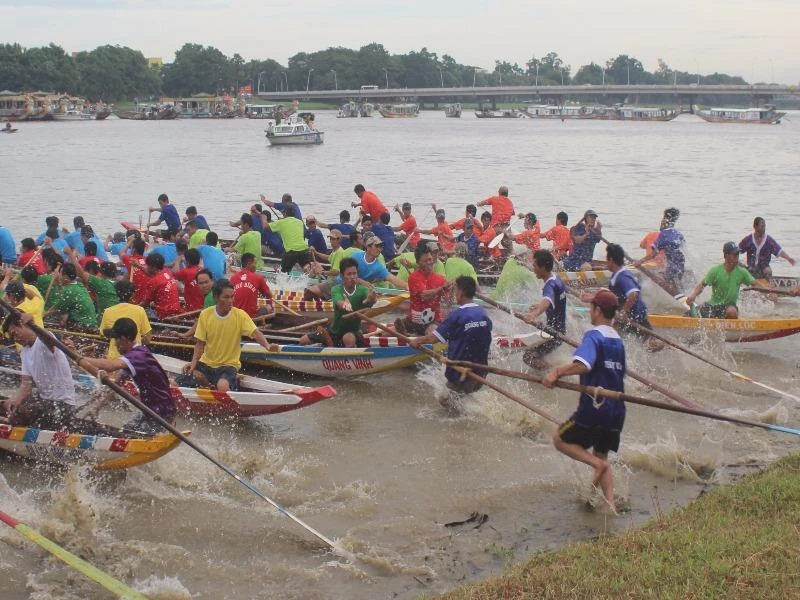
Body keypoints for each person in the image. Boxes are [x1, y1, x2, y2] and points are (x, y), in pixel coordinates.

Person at [543, 288, 626, 510]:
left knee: (559, 439)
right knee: (602, 454)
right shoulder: (618, 341)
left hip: (594, 408)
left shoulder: (594, 335)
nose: (590, 311)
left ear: (597, 310)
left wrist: (557, 372)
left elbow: (584, 364)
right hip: (617, 411)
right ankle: (609, 506)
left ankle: (595, 466)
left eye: (592, 307)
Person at [409, 276, 493, 413]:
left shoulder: (457, 315)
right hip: (480, 373)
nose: (454, 295)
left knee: (445, 403)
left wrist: (418, 341)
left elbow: (433, 339)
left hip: (461, 374)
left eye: (455, 291)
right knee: (458, 400)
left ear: (460, 293)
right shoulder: (483, 313)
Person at [80, 318, 175, 433]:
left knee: (131, 437)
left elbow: (110, 366)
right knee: (124, 431)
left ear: (124, 339)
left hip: (161, 414)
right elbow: (116, 387)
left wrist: (79, 358)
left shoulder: (138, 356)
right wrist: (96, 408)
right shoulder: (134, 357)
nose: (114, 344)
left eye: (116, 339)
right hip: (149, 411)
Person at [182, 279, 278, 391]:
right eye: (226, 297)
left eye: (232, 297)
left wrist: (267, 346)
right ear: (216, 298)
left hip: (228, 366)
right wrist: (193, 363)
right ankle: (209, 387)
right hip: (206, 363)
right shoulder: (205, 315)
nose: (231, 301)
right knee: (182, 378)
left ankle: (216, 388)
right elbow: (200, 344)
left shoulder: (240, 315)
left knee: (222, 386)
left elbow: (256, 333)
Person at [1, 312, 77, 428]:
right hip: (45, 401)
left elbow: (47, 337)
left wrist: (32, 323)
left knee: (26, 412)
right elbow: (26, 385)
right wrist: (15, 399)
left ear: (24, 325)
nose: (16, 339)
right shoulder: (24, 352)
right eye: (13, 338)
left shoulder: (43, 341)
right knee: (11, 407)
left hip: (62, 404)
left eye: (15, 334)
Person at [299, 258, 377, 348]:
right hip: (334, 332)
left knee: (348, 338)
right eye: (349, 274)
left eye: (354, 273)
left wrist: (371, 299)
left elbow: (372, 300)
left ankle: (347, 359)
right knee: (303, 340)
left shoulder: (363, 290)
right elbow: (339, 302)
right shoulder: (336, 289)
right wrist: (345, 305)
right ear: (342, 275)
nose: (352, 277)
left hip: (353, 332)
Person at [685, 241, 764, 319]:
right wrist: (693, 295)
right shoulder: (715, 271)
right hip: (713, 305)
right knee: (687, 315)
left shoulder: (742, 272)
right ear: (726, 256)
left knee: (732, 312)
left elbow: (755, 284)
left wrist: (768, 292)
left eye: (738, 254)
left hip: (729, 306)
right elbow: (702, 285)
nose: (737, 256)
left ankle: (730, 329)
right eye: (734, 254)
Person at [605, 244, 662, 350]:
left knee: (651, 346)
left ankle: (672, 346)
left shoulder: (623, 276)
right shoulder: (617, 274)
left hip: (635, 317)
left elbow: (633, 293)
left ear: (611, 260)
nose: (606, 262)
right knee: (612, 337)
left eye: (606, 260)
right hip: (627, 317)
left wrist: (623, 312)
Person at [520, 249, 567, 369]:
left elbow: (547, 301)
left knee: (528, 356)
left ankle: (553, 374)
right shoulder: (556, 279)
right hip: (558, 331)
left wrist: (534, 314)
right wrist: (538, 305)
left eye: (535, 265)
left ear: (543, 267)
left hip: (554, 334)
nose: (533, 268)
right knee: (536, 355)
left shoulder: (549, 285)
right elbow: (553, 300)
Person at [396, 244, 451, 336]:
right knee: (387, 332)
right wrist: (442, 288)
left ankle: (411, 336)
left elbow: (448, 301)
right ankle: (407, 335)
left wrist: (452, 289)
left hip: (433, 321)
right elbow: (424, 295)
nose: (429, 262)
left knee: (431, 332)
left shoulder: (440, 279)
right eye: (425, 261)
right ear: (418, 263)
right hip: (413, 321)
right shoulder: (413, 277)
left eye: (430, 259)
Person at [635, 207, 685, 293]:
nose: (661, 222)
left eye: (663, 219)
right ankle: (681, 294)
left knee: (668, 283)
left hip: (672, 264)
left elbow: (653, 254)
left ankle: (675, 296)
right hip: (681, 262)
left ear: (666, 220)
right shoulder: (678, 233)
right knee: (677, 284)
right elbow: (683, 248)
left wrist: (639, 261)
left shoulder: (663, 235)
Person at [99, 280, 152, 359]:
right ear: (132, 295)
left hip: (113, 359)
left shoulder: (108, 311)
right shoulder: (140, 310)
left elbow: (103, 335)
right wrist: (137, 342)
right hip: (135, 358)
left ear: (116, 294)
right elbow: (147, 339)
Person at [65, 247, 119, 318]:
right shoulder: (118, 284)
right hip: (117, 317)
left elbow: (81, 273)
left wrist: (71, 254)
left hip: (104, 319)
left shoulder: (102, 284)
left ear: (102, 272)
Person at [46, 262, 97, 327]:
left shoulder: (70, 290)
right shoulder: (79, 284)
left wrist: (42, 315)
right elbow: (64, 298)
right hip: (90, 323)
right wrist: (58, 281)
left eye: (61, 274)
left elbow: (57, 309)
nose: (59, 276)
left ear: (66, 277)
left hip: (83, 325)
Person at [264, 204, 310, 273]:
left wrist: (263, 218)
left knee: (283, 274)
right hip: (303, 250)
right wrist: (282, 221)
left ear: (284, 213)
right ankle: (307, 269)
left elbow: (266, 226)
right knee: (305, 267)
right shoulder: (300, 222)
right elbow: (290, 225)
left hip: (291, 252)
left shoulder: (281, 222)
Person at [139, 253, 182, 319]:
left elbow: (144, 304)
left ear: (153, 267)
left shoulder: (153, 282)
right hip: (176, 312)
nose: (146, 268)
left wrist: (132, 309)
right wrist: (138, 266)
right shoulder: (168, 272)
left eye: (147, 266)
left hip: (164, 316)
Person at [230, 253, 273, 317]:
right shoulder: (258, 277)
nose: (256, 266)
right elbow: (270, 295)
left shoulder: (233, 278)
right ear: (249, 264)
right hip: (251, 316)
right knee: (269, 307)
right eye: (255, 263)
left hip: (235, 315)